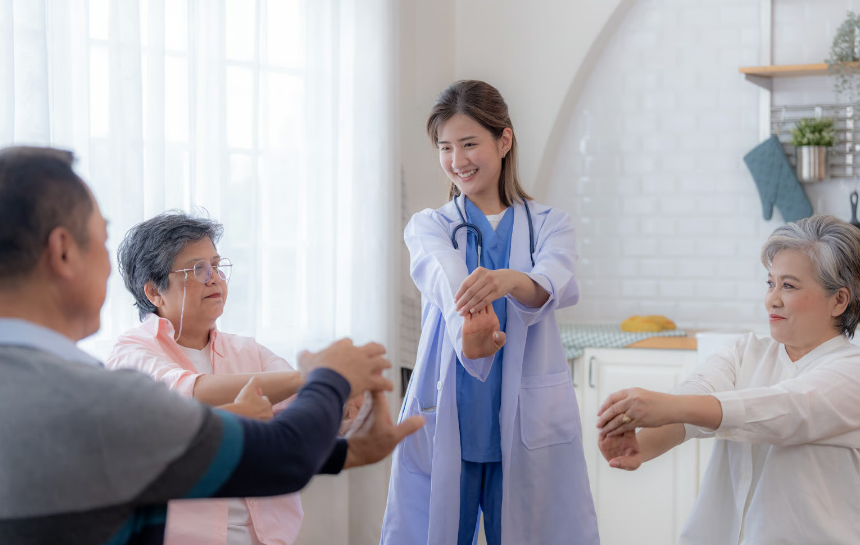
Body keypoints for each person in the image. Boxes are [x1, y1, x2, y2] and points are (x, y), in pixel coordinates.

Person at [0, 146, 424, 545]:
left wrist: (343, 431)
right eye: (103, 238)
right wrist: (325, 378)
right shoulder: (98, 392)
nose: (213, 279)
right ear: (63, 252)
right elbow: (273, 450)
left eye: (217, 267)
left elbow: (276, 438)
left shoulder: (53, 388)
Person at [381, 81, 599, 545]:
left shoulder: (549, 224)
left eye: (469, 143)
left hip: (526, 424)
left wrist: (508, 281)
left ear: (504, 141)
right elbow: (444, 277)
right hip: (449, 417)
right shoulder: (430, 225)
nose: (457, 159)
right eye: (445, 147)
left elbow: (551, 283)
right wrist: (469, 325)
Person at [596, 214, 860, 544]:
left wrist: (671, 406)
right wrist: (639, 445)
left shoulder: (852, 371)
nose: (772, 298)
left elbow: (783, 410)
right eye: (770, 283)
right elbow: (693, 400)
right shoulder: (744, 352)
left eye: (788, 285)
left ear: (839, 300)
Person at [104, 211, 316, 545]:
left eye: (217, 266)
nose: (214, 278)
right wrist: (311, 379)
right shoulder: (131, 352)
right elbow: (190, 393)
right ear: (154, 293)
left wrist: (338, 394)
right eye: (198, 269)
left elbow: (304, 407)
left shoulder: (247, 351)